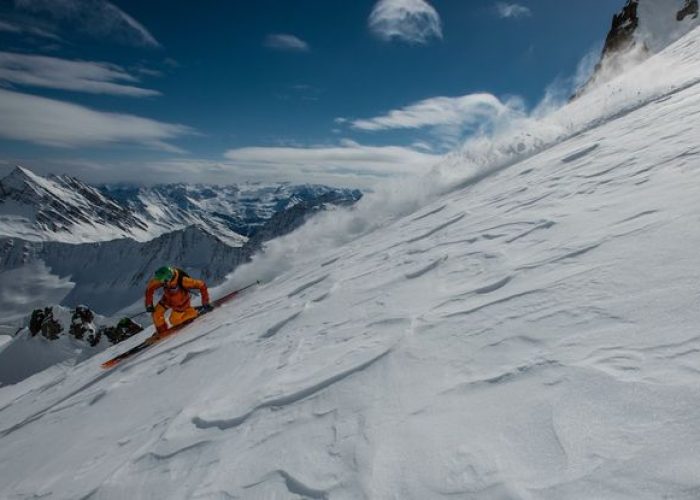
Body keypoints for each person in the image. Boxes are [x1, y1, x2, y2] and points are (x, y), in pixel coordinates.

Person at [145, 266, 212, 336]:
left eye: (163, 281)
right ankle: (162, 331)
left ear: (168, 277)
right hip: (167, 300)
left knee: (173, 321)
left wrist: (205, 301)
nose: (161, 282)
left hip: (181, 304)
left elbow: (201, 285)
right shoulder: (164, 278)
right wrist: (148, 304)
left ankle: (193, 312)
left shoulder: (183, 281)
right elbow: (150, 288)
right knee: (156, 313)